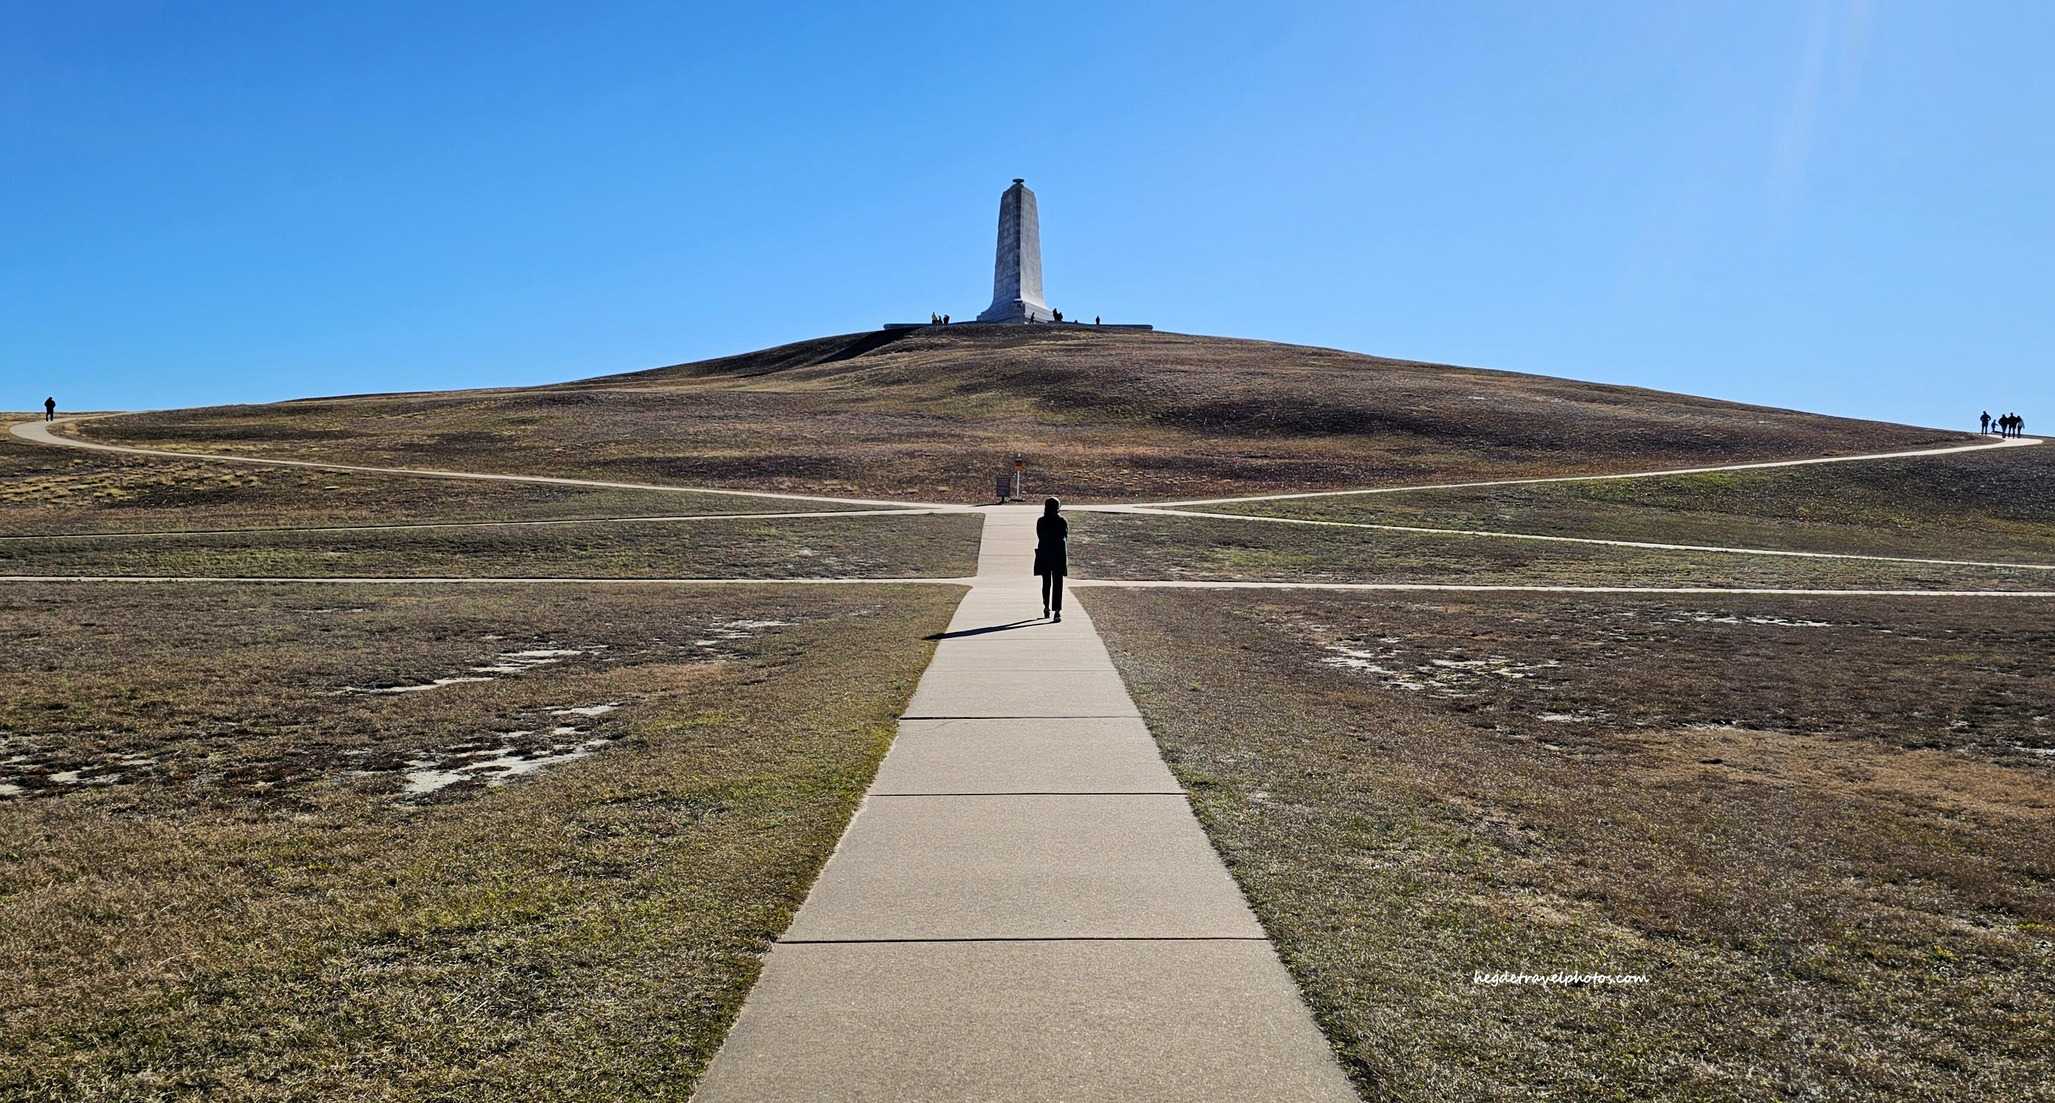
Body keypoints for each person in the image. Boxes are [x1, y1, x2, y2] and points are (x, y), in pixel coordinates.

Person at [1034, 496, 1068, 621]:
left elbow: (1040, 536)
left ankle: (1046, 607)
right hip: (1058, 555)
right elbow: (1065, 535)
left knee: (1046, 583)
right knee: (1058, 583)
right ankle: (1057, 611)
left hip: (1045, 554)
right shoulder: (1062, 521)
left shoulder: (1041, 521)